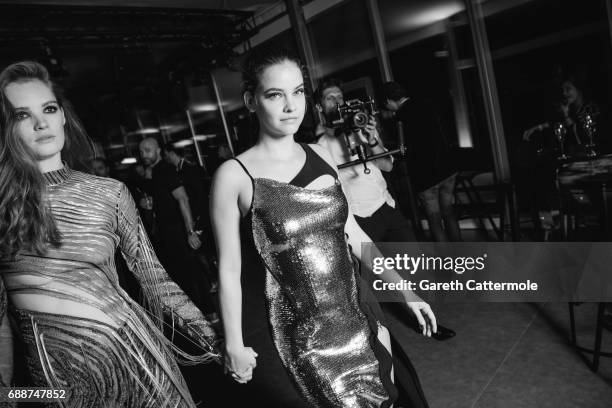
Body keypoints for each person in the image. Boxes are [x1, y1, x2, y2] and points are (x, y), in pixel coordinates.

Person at [210, 48, 436, 407]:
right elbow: (230, 269)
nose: (291, 106)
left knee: (390, 398)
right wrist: (234, 343)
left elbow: (355, 235)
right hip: (305, 337)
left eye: (298, 92)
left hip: (359, 315)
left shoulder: (322, 154)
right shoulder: (234, 176)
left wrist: (405, 292)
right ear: (251, 101)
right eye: (275, 94)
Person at [0, 61, 219, 406]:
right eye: (21, 115)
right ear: (6, 129)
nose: (41, 123)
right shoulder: (4, 207)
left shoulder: (109, 192)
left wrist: (220, 340)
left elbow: (154, 279)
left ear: (63, 117)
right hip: (58, 384)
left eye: (49, 108)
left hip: (139, 361)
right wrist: (10, 395)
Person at [315, 78, 416, 244]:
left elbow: (387, 166)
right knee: (376, 269)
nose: (337, 102)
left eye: (339, 97)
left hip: (387, 206)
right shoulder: (321, 145)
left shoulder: (364, 125)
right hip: (359, 219)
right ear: (320, 107)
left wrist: (373, 142)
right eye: (329, 98)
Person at [382, 81, 461, 242]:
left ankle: (447, 264)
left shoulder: (400, 118)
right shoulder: (427, 103)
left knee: (435, 219)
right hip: (447, 167)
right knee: (449, 212)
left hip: (427, 176)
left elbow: (402, 150)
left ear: (389, 100)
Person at [139, 137, 210, 310]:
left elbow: (183, 199)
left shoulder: (166, 169)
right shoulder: (152, 172)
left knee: (190, 274)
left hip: (176, 230)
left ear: (158, 151)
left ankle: (207, 313)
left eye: (148, 150)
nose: (144, 154)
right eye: (141, 151)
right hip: (163, 232)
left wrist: (190, 231)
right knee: (179, 275)